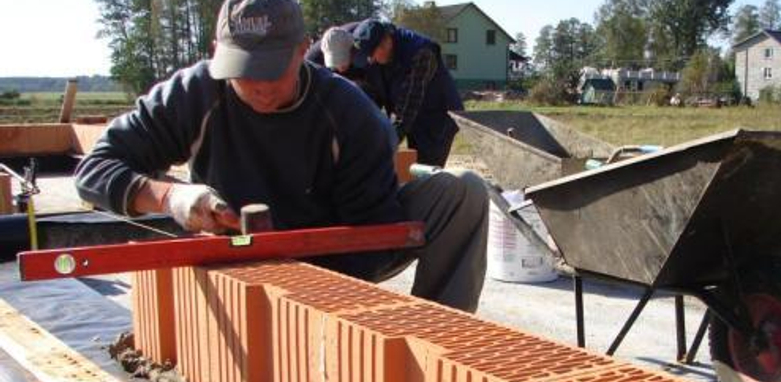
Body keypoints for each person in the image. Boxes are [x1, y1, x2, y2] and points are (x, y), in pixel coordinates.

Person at [75, 0, 487, 313]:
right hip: (231, 255)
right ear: (218, 51)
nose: (260, 86)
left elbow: (368, 248)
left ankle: (441, 343)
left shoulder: (350, 114)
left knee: (463, 192)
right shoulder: (194, 94)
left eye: (274, 69)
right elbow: (95, 170)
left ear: (302, 50)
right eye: (244, 69)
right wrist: (170, 198)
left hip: (332, 257)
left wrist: (302, 298)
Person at [352, 19, 463, 167]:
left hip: (437, 119)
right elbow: (373, 96)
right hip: (414, 116)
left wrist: (385, 144)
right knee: (411, 167)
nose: (370, 60)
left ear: (386, 42)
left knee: (426, 172)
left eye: (372, 54)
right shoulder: (377, 58)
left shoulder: (422, 53)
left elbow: (408, 107)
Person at [304, 22, 385, 108]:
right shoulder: (312, 60)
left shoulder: (363, 44)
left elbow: (380, 82)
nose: (340, 69)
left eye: (342, 60)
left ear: (351, 49)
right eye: (335, 63)